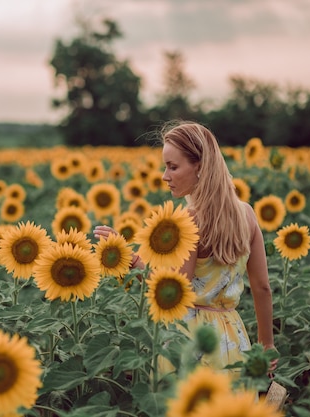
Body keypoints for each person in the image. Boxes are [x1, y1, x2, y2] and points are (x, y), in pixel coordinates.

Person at [93, 120, 276, 375]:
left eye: (173, 167)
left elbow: (176, 289)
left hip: (191, 341)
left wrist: (130, 259)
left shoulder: (190, 221)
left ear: (199, 167)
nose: (164, 176)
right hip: (233, 337)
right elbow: (263, 288)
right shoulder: (247, 214)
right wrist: (266, 344)